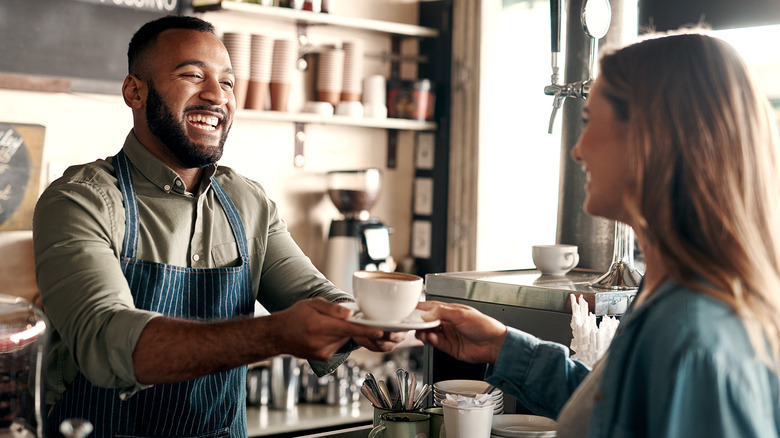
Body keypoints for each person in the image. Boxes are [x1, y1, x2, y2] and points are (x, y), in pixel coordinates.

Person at [32, 15, 404, 438]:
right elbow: (104, 340)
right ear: (134, 91)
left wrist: (389, 316)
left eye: (227, 83)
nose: (215, 96)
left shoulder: (248, 202)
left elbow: (313, 295)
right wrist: (275, 334)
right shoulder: (82, 200)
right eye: (192, 75)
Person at [416, 32, 780, 437]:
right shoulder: (663, 295)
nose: (578, 149)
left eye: (589, 121)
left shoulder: (694, 340)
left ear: (651, 139)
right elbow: (615, 416)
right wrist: (502, 346)